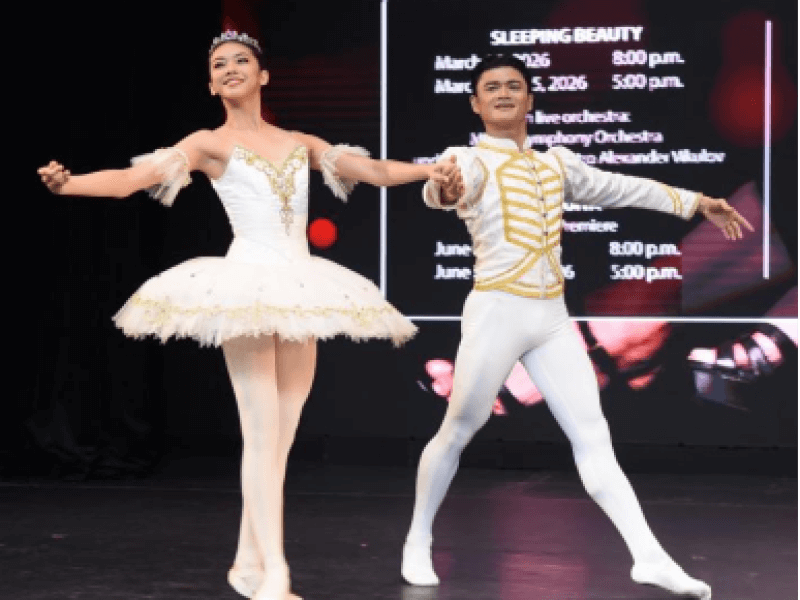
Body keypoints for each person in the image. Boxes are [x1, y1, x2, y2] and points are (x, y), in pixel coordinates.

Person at [38, 31, 457, 600]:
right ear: (211, 84)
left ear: (262, 77)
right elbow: (132, 182)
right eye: (219, 65)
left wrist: (428, 172)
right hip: (247, 287)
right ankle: (275, 576)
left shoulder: (298, 141)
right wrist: (70, 186)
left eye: (242, 61)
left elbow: (373, 170)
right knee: (261, 438)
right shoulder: (208, 143)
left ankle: (245, 563)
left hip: (301, 284)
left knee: (279, 440)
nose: (231, 68)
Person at [401, 54, 753, 600]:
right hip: (496, 312)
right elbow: (442, 192)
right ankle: (417, 540)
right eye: (490, 87)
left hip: (552, 318)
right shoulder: (463, 160)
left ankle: (650, 557)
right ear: (475, 102)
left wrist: (698, 202)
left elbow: (625, 186)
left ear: (529, 99)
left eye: (513, 86)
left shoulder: (556, 164)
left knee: (594, 440)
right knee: (459, 429)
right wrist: (442, 188)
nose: (502, 94)